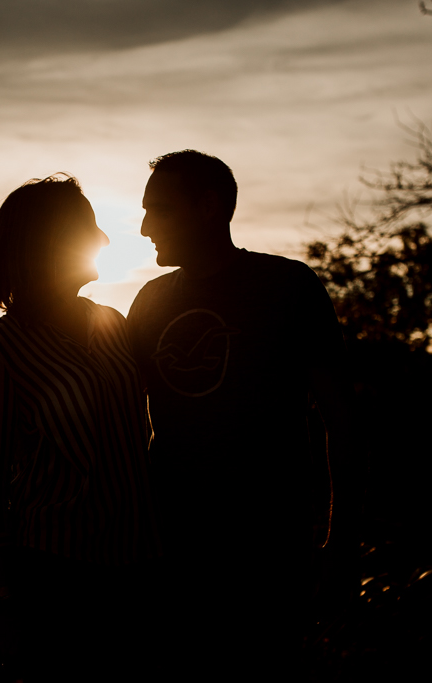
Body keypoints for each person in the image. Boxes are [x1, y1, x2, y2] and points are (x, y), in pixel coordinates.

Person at [127, 150, 360, 679]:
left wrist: (341, 543)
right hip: (174, 555)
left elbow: (342, 419)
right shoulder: (148, 302)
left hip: (268, 554)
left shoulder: (288, 289)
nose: (143, 228)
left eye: (159, 210)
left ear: (209, 207)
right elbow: (119, 419)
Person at [0, 174, 161, 682]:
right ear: (48, 242)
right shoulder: (0, 351)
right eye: (89, 227)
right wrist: (4, 601)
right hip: (54, 575)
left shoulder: (113, 324)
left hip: (138, 566)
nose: (104, 240)